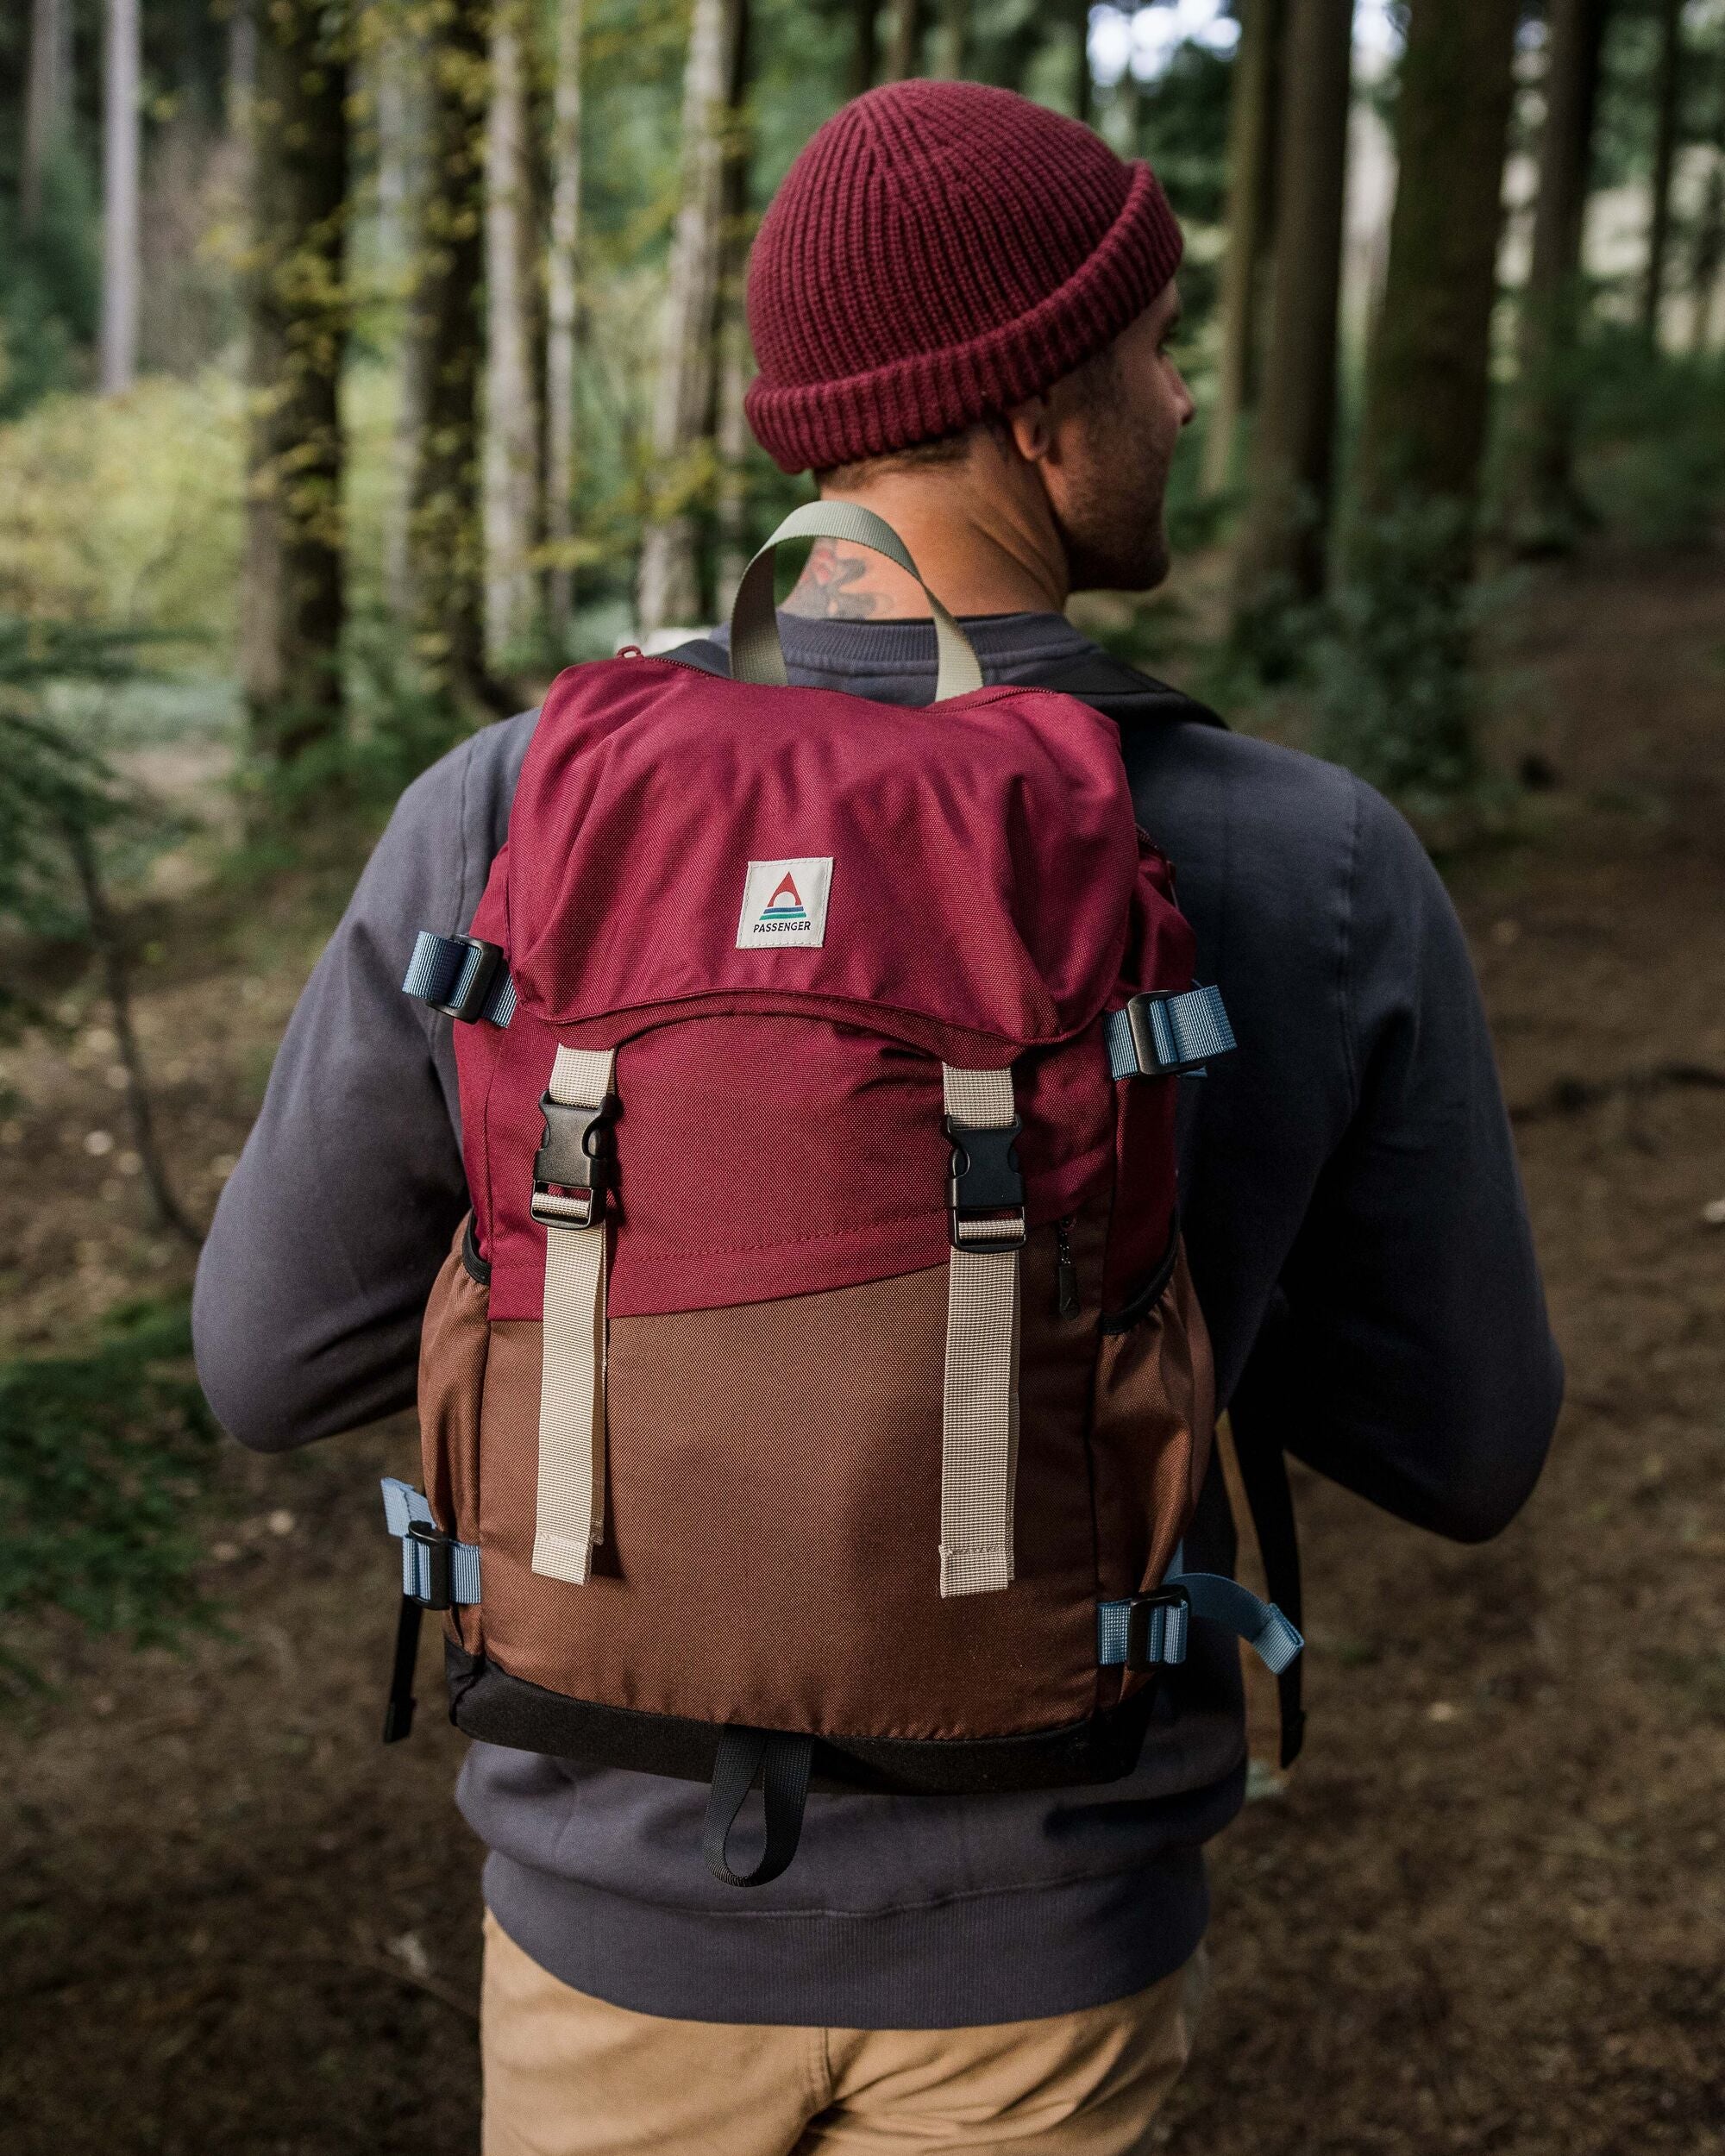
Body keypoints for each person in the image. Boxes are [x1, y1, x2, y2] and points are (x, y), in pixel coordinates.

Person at [194, 78, 1562, 2155]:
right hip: (1038, 1946)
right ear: (1036, 408)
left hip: (606, 1938)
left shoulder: (516, 804)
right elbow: (1469, 1448)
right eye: (1155, 347)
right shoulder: (1309, 858)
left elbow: (268, 1358)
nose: (1184, 397)